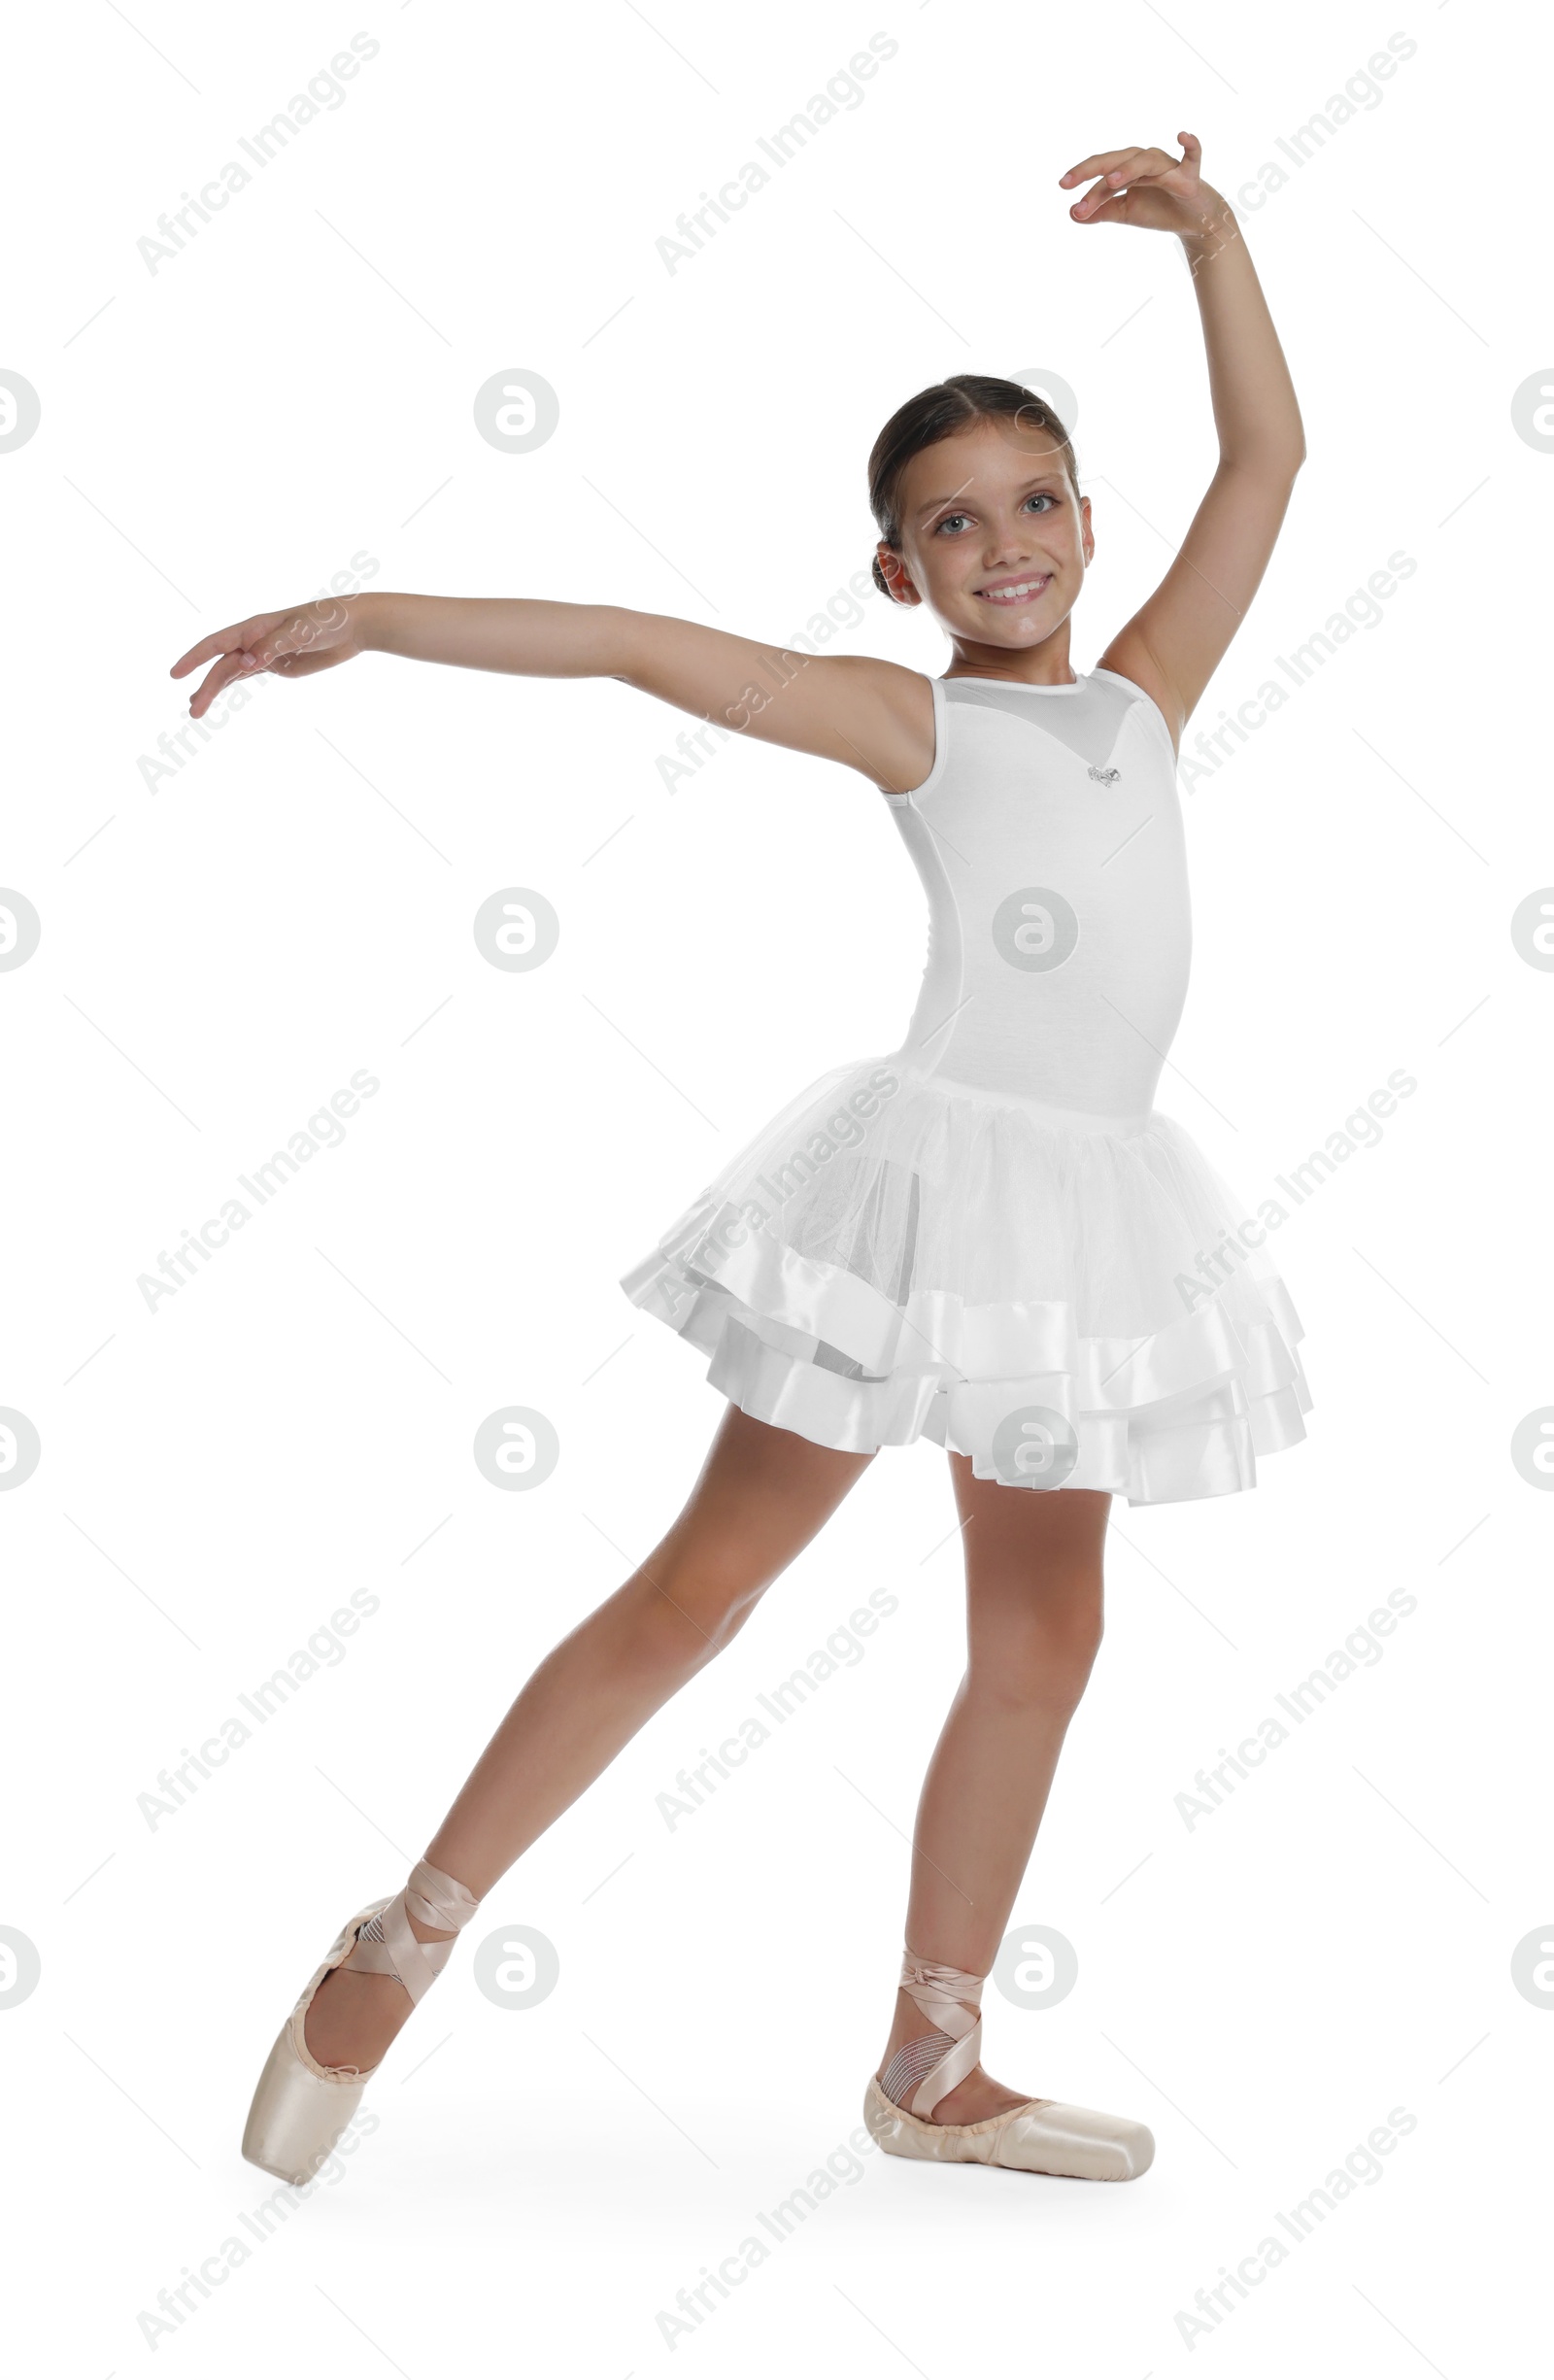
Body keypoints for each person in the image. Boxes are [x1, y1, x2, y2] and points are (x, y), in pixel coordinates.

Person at [172, 134, 1310, 2192]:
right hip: (925, 1198)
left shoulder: (1145, 699)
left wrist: (1216, 247)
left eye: (1035, 501)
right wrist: (374, 613)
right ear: (897, 572)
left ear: (1081, 512)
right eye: (949, 525)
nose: (1004, 545)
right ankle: (397, 1940)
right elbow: (629, 640)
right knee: (703, 1585)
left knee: (1045, 1635)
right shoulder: (914, 726)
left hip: (1092, 1221)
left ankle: (928, 2057)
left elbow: (1266, 467)